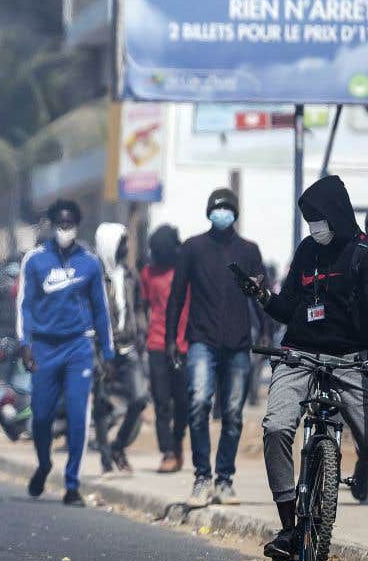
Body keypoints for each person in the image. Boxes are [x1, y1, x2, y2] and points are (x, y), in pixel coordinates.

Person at [236, 175, 368, 561]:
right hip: (298, 355)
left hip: (350, 360)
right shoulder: (307, 250)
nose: (315, 226)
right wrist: (261, 296)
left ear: (337, 215)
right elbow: (289, 307)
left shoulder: (362, 255)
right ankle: (291, 527)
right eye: (309, 219)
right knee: (276, 427)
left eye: (319, 218)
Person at [165, 188, 265, 507]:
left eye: (227, 207)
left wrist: (265, 332)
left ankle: (224, 479)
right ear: (208, 212)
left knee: (233, 414)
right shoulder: (193, 248)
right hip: (201, 341)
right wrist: (171, 338)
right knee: (198, 405)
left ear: (235, 213)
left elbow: (261, 298)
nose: (221, 212)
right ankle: (201, 477)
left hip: (238, 344)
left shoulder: (249, 251)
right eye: (216, 207)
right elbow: (177, 296)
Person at [20, 199, 114, 507]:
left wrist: (108, 352)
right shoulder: (34, 260)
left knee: (77, 416)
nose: (65, 230)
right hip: (44, 348)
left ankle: (72, 484)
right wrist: (26, 344)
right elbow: (25, 305)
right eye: (60, 224)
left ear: (78, 225)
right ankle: (44, 463)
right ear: (51, 224)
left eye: (70, 224)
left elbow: (101, 309)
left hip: (78, 347)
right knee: (42, 415)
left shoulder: (89, 262)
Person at [93, 222, 143, 475]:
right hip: (102, 350)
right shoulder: (94, 277)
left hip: (129, 347)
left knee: (139, 399)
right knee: (101, 404)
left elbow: (139, 306)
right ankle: (105, 458)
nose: (126, 248)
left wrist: (141, 331)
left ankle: (118, 446)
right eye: (122, 243)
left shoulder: (130, 274)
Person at [140, 226, 190, 473]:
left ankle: (178, 441)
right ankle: (167, 451)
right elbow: (144, 305)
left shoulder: (185, 270)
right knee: (161, 401)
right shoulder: (149, 273)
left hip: (183, 344)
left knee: (182, 401)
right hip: (157, 344)